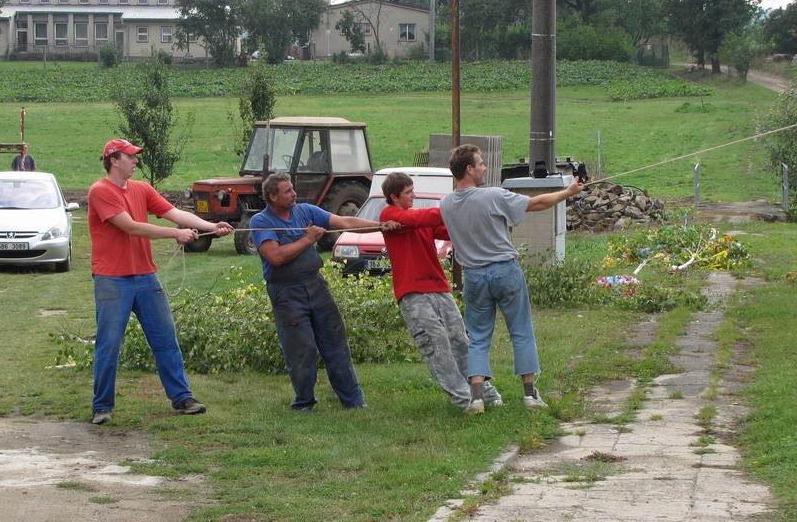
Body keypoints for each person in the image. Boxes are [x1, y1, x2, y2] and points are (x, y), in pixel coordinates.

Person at [87, 138, 232, 425]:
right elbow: (130, 226)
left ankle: (182, 398)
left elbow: (174, 213)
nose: (136, 161)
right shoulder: (100, 191)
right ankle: (101, 406)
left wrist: (210, 227)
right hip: (112, 279)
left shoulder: (142, 189)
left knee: (166, 339)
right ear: (114, 160)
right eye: (131, 157)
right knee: (109, 343)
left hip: (145, 276)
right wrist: (174, 234)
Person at [440, 144, 584, 411]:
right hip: (504, 271)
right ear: (469, 169)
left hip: (473, 276)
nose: (484, 167)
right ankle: (529, 395)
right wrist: (568, 191)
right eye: (480, 163)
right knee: (521, 331)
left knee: (478, 337)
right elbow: (536, 203)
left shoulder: (446, 204)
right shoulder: (492, 195)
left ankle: (477, 398)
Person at [250, 172, 397, 411]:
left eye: (292, 189)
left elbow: (345, 223)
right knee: (301, 349)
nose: (294, 193)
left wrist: (381, 226)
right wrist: (308, 240)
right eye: (288, 191)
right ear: (272, 196)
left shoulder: (305, 211)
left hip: (316, 286)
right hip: (286, 293)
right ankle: (304, 403)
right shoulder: (261, 222)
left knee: (336, 343)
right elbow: (275, 257)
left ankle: (353, 402)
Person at [378, 172, 502, 415]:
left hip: (439, 288)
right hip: (413, 292)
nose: (414, 195)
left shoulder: (416, 219)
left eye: (413, 190)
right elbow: (428, 217)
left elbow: (447, 229)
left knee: (461, 340)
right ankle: (463, 399)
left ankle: (484, 392)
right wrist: (454, 205)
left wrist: (477, 216)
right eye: (408, 192)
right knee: (437, 344)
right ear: (394, 197)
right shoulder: (390, 215)